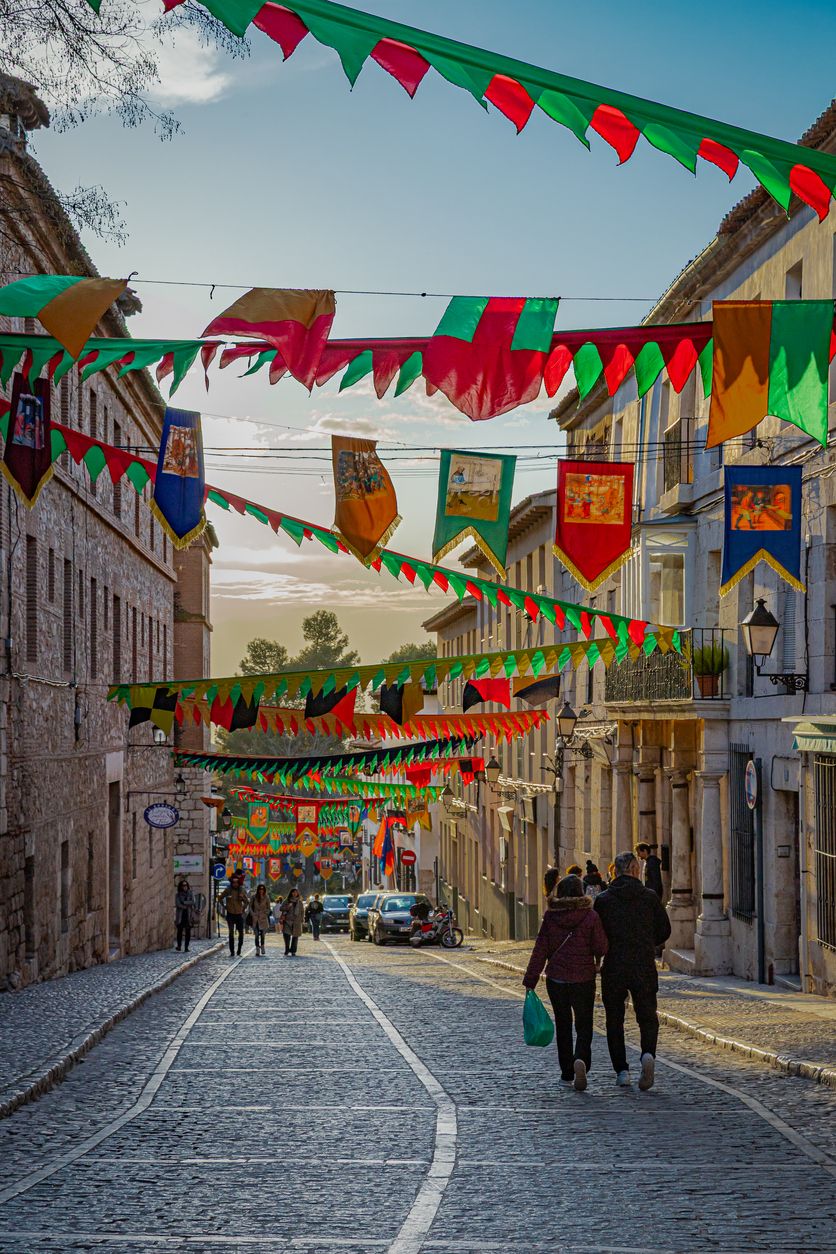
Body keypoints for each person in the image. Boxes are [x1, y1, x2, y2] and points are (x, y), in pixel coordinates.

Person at [523, 874, 609, 1092]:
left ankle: (567, 1072)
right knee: (584, 1024)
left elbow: (540, 949)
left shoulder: (551, 917)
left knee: (563, 1025)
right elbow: (601, 947)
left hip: (557, 980)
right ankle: (581, 1059)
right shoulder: (590, 916)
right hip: (584, 979)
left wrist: (531, 979)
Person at [594, 850, 672, 1091]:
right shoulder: (649, 898)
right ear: (637, 871)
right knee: (648, 1016)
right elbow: (665, 930)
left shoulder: (604, 900)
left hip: (615, 965)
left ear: (615, 872)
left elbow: (597, 935)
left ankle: (622, 1071)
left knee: (614, 1020)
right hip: (643, 964)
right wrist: (648, 941)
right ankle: (647, 1054)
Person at [220, 873, 249, 957]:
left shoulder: (242, 890)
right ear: (231, 882)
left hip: (239, 914)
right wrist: (224, 906)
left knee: (241, 933)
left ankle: (239, 949)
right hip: (230, 914)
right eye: (234, 882)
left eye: (236, 882)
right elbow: (220, 897)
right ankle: (232, 951)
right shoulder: (228, 890)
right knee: (231, 933)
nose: (235, 884)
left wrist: (243, 908)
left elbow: (247, 901)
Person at [279, 887, 304, 957]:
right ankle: (287, 949)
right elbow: (281, 908)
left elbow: (302, 911)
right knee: (287, 936)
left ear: (298, 893)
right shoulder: (287, 901)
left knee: (295, 937)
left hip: (297, 921)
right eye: (293, 892)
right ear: (291, 893)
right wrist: (288, 906)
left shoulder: (300, 902)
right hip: (287, 921)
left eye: (296, 892)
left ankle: (293, 950)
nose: (294, 893)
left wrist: (302, 919)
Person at [250, 884, 271, 957]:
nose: (261, 890)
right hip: (255, 918)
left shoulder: (266, 897)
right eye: (260, 889)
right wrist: (252, 914)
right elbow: (250, 907)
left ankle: (262, 946)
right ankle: (257, 949)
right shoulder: (253, 897)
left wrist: (266, 913)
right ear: (258, 890)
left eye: (262, 889)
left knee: (262, 934)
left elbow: (269, 908)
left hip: (263, 918)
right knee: (256, 935)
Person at [175, 879, 195, 952]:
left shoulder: (190, 893)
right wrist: (185, 906)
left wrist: (184, 902)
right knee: (179, 931)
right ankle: (179, 946)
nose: (185, 887)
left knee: (188, 931)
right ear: (181, 886)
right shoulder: (178, 895)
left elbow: (193, 902)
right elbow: (178, 904)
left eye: (186, 885)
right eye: (183, 885)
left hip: (188, 915)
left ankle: (186, 947)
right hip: (180, 915)